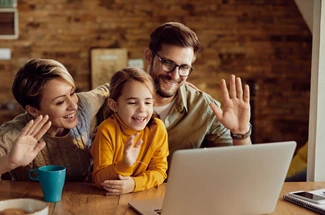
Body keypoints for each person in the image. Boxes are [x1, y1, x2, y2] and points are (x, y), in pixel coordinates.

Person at [143, 22, 251, 165]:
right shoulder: (117, 100)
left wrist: (240, 132)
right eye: (168, 63)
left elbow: (240, 166)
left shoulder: (205, 108)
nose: (175, 76)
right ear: (149, 56)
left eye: (184, 67)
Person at [0, 58, 109, 181]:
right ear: (33, 111)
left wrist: (112, 126)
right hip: (32, 200)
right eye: (60, 102)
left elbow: (112, 90)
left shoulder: (83, 104)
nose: (74, 106)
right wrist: (9, 162)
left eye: (73, 93)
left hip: (82, 197)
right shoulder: (12, 135)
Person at [90, 67, 168, 195]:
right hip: (108, 198)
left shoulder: (157, 128)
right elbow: (99, 179)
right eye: (132, 102)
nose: (142, 109)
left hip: (143, 194)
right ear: (114, 105)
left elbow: (160, 171)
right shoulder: (106, 130)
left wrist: (134, 184)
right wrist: (125, 164)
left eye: (148, 103)